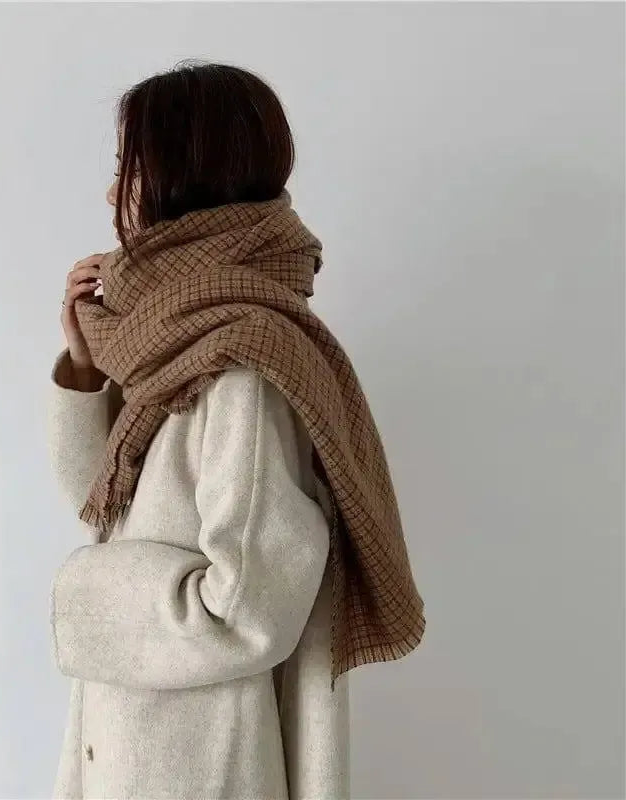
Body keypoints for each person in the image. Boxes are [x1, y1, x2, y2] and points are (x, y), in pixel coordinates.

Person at [46, 60, 423, 800]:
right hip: (133, 735)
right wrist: (87, 369)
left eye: (128, 167)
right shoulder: (176, 338)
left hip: (192, 759)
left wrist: (86, 595)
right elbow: (101, 507)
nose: (113, 193)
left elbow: (247, 610)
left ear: (180, 174)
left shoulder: (241, 359)